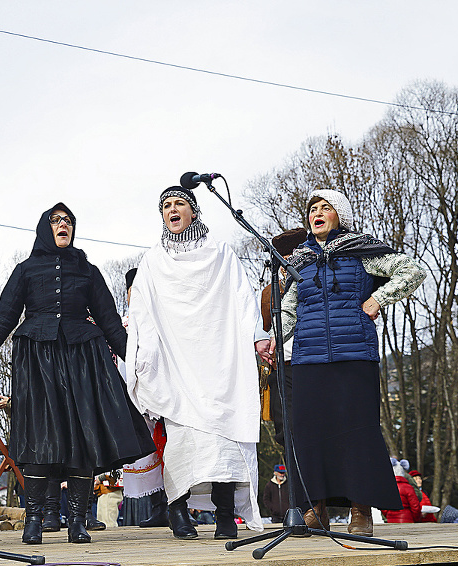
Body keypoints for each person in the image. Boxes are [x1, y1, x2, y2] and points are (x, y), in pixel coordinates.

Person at [0, 204, 155, 545]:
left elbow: (110, 323)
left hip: (83, 359)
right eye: (56, 221)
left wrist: (138, 358)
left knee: (81, 437)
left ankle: (77, 521)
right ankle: (34, 520)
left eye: (69, 221)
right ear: (45, 228)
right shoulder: (25, 270)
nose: (64, 225)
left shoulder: (87, 270)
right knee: (39, 436)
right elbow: (4, 319)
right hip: (37, 359)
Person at [277, 189, 426, 537]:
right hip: (308, 357)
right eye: (312, 209)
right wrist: (274, 339)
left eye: (325, 208)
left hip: (354, 353)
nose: (317, 213)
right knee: (309, 433)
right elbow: (288, 307)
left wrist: (377, 298)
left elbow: (411, 271)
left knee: (357, 431)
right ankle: (316, 508)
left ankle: (362, 510)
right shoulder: (300, 261)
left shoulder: (362, 252)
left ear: (339, 216)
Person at [127, 186, 271, 541]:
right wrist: (143, 355)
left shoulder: (220, 253)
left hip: (219, 361)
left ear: (193, 212)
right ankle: (177, 508)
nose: (172, 209)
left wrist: (256, 334)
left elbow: (242, 298)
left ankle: (225, 514)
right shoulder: (153, 261)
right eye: (166, 206)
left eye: (179, 203)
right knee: (183, 441)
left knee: (224, 437)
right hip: (176, 363)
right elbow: (141, 311)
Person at [118, 267, 169, 529]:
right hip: (131, 400)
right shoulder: (121, 326)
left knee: (165, 452)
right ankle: (158, 507)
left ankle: (172, 506)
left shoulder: (160, 322)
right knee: (144, 455)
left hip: (159, 398)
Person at [260, 228, 308, 447]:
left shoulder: (315, 279)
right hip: (283, 368)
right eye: (283, 260)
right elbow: (261, 329)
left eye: (292, 258)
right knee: (286, 434)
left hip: (314, 364)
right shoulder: (269, 292)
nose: (288, 264)